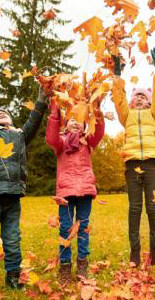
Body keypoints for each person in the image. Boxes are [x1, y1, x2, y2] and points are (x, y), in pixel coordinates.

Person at [0, 70, 48, 297]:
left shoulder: (19, 136)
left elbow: (33, 121)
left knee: (13, 241)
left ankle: (13, 279)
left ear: (12, 122)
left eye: (5, 112)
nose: (1, 112)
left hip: (12, 196)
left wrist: (42, 98)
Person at [111, 48, 155, 267]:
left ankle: (154, 248)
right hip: (132, 163)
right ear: (133, 101)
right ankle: (135, 251)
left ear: (149, 100)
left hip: (152, 163)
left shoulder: (154, 114)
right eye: (137, 96)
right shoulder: (127, 116)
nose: (140, 98)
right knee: (135, 208)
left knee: (152, 207)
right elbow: (119, 100)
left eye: (144, 96)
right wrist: (117, 75)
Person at [45, 99, 106, 284]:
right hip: (65, 191)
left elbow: (99, 131)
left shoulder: (87, 141)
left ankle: (82, 265)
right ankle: (65, 266)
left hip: (85, 189)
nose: (74, 121)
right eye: (71, 119)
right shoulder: (61, 143)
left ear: (84, 123)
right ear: (65, 124)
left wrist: (96, 109)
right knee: (65, 227)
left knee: (83, 227)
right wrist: (55, 110)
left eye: (78, 118)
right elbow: (51, 137)